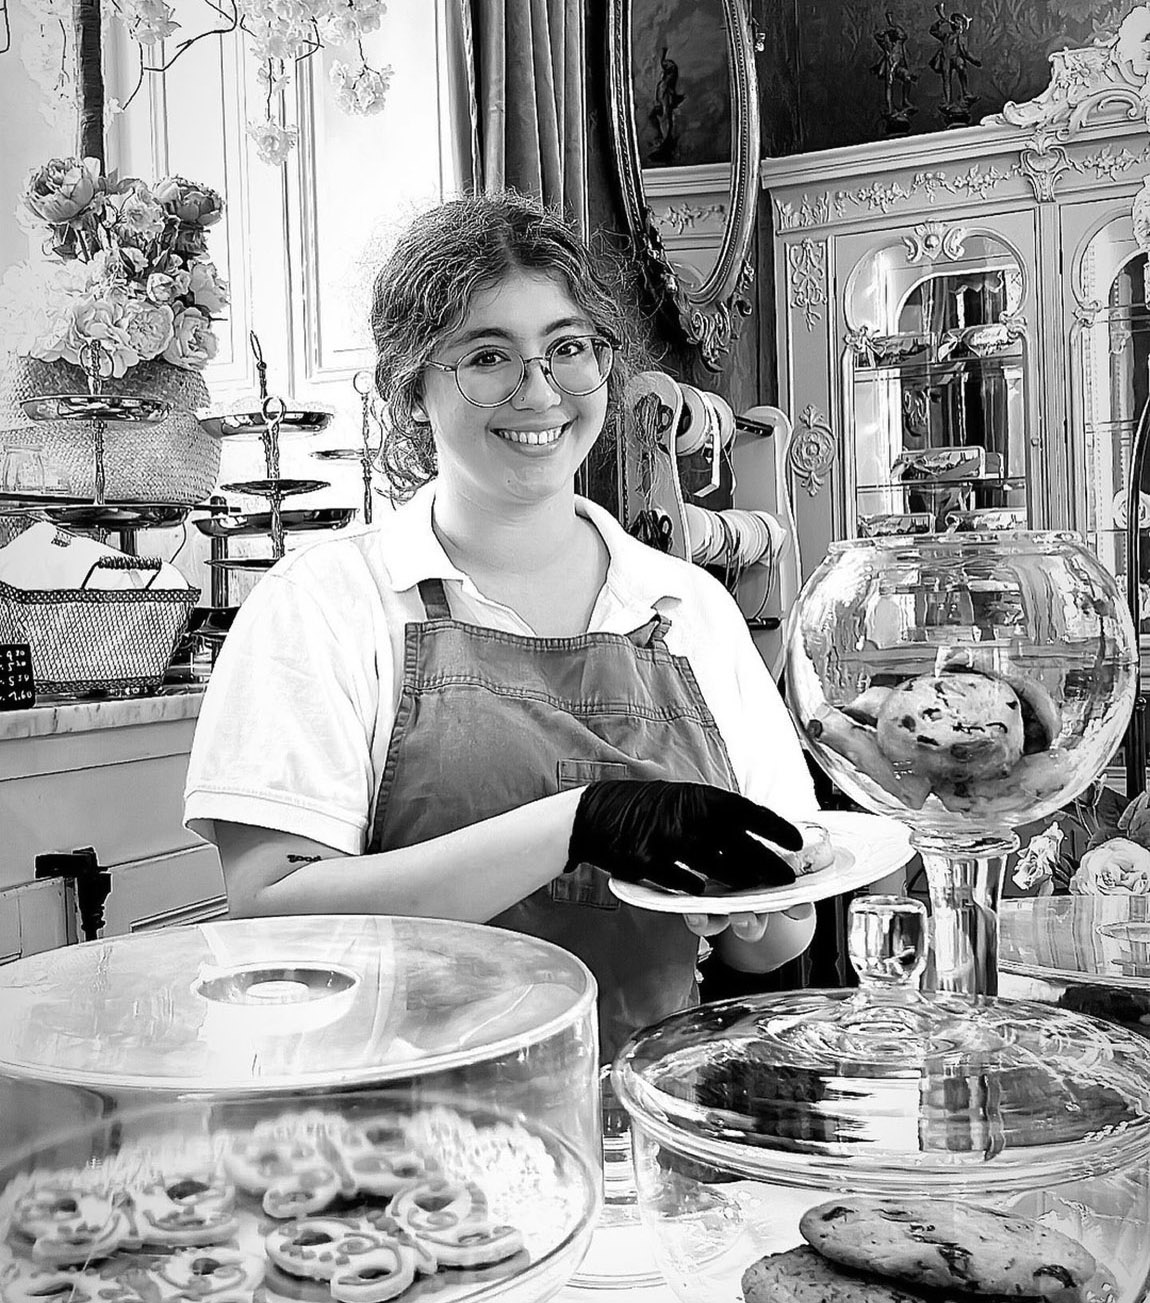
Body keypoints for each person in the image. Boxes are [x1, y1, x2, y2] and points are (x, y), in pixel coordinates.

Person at [183, 192, 820, 1061]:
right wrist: (578, 825)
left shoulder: (687, 606)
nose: (540, 391)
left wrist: (745, 899)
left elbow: (778, 936)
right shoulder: (326, 603)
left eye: (569, 348)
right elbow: (270, 917)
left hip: (650, 1109)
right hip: (405, 1120)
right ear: (413, 390)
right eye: (489, 356)